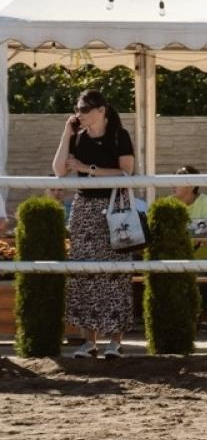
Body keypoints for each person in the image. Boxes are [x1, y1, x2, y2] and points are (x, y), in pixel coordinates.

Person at [50, 89, 136, 358]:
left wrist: (88, 169)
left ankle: (115, 341)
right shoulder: (79, 137)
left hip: (114, 210)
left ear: (101, 110)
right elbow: (58, 169)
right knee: (84, 271)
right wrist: (67, 132)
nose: (80, 115)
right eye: (77, 110)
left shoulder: (119, 136)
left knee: (114, 273)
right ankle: (89, 341)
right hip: (84, 209)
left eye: (85, 110)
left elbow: (126, 171)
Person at [173, 165, 207, 328]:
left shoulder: (206, 201)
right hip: (177, 256)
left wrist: (182, 234)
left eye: (178, 181)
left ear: (192, 185)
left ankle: (201, 315)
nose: (173, 184)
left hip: (206, 254)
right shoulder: (169, 203)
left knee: (203, 274)